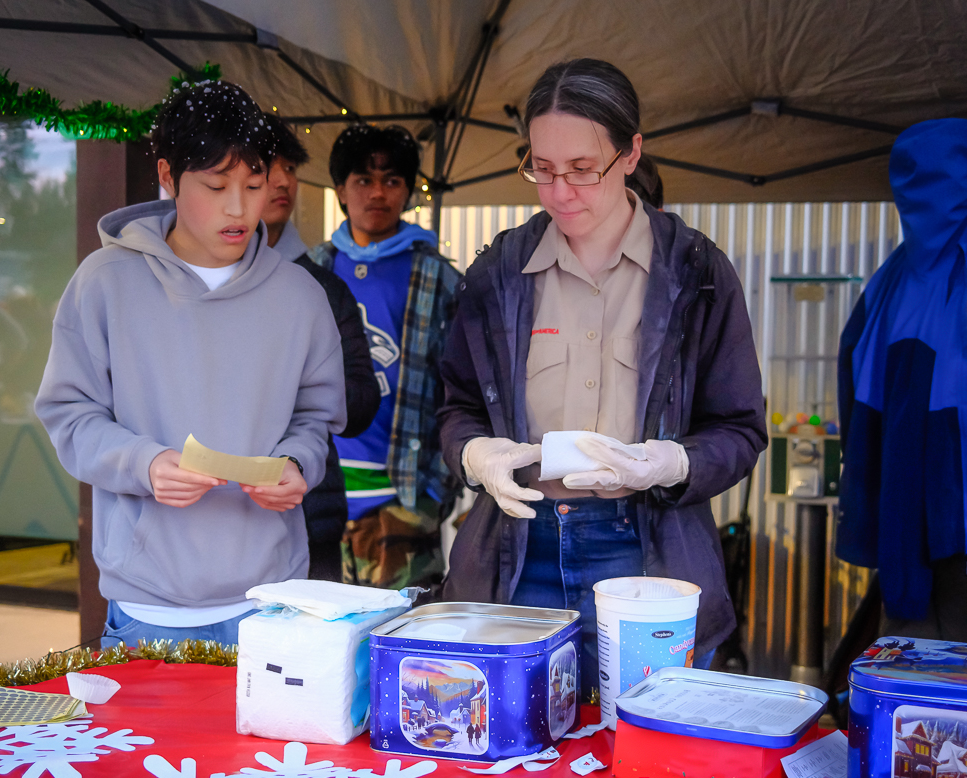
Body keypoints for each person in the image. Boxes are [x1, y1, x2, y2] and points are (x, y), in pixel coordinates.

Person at [438, 59, 767, 697]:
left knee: (646, 741)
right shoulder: (499, 273)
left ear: (631, 153)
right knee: (511, 741)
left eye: (583, 169)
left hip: (646, 559)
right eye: (542, 169)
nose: (560, 192)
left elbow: (739, 428)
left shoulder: (697, 274)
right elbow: (457, 408)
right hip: (519, 553)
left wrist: (670, 463)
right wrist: (475, 454)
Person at [35, 81, 346, 648]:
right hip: (148, 608)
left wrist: (296, 462)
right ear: (168, 175)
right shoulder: (104, 283)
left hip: (273, 603)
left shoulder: (301, 295)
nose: (239, 208)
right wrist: (144, 463)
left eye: (254, 185)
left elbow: (316, 417)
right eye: (216, 186)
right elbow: (70, 414)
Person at [308, 124, 461, 592]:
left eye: (392, 180)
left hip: (405, 496)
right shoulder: (309, 271)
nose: (378, 193)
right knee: (321, 629)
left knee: (404, 629)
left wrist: (436, 488)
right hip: (318, 494)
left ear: (409, 191)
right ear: (340, 191)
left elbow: (463, 387)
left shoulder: (438, 276)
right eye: (363, 180)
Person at [837, 118, 967, 642]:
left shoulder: (887, 281)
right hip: (953, 503)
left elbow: (851, 392)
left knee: (910, 656)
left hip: (899, 503)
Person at [261, 120, 380, 582]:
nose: (282, 181)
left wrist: (301, 384)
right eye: (266, 167)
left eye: (290, 168)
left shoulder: (322, 287)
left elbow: (361, 403)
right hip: (213, 515)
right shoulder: (193, 282)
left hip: (313, 516)